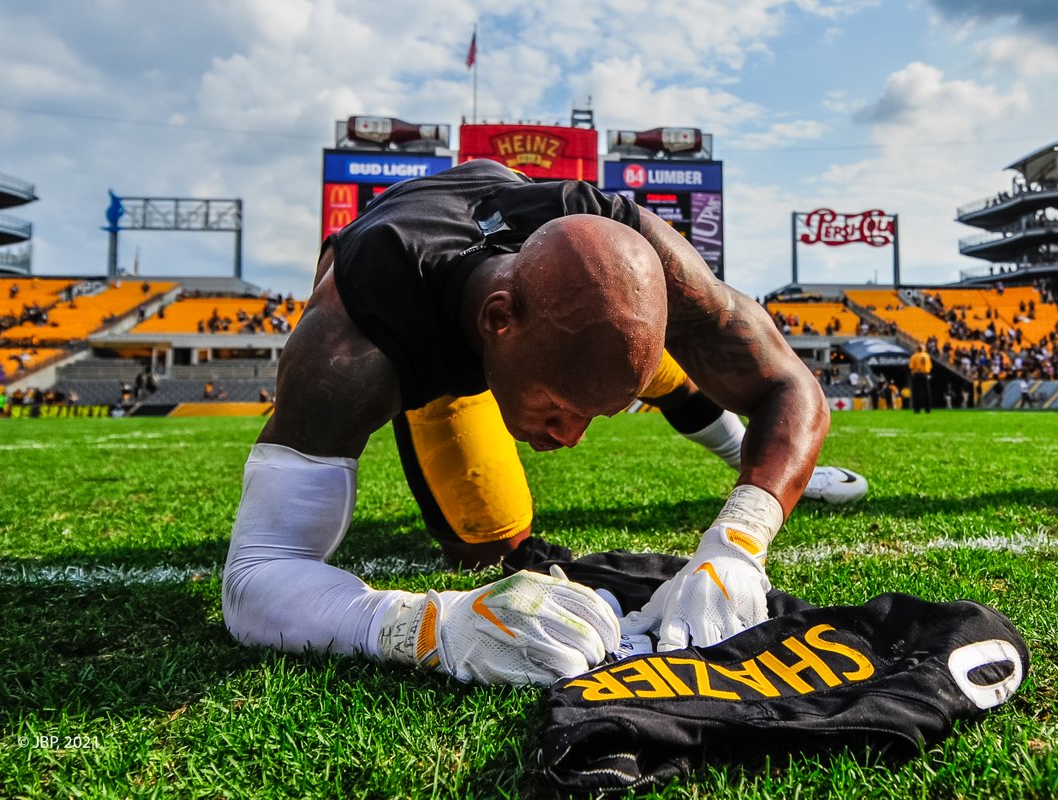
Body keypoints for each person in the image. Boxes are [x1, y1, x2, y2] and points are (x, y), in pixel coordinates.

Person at [222, 160, 831, 687]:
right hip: (427, 337)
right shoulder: (356, 346)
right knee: (489, 542)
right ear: (497, 321)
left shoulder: (616, 232)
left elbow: (791, 384)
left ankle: (729, 444)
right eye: (559, 409)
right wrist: (431, 628)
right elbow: (256, 579)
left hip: (515, 302)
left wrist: (739, 543)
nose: (570, 438)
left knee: (654, 368)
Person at [908, 345, 932, 414]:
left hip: (917, 374)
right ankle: (928, 409)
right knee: (927, 392)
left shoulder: (914, 356)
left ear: (917, 349)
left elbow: (911, 367)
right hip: (925, 375)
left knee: (916, 393)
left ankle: (917, 409)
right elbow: (930, 366)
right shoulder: (927, 356)